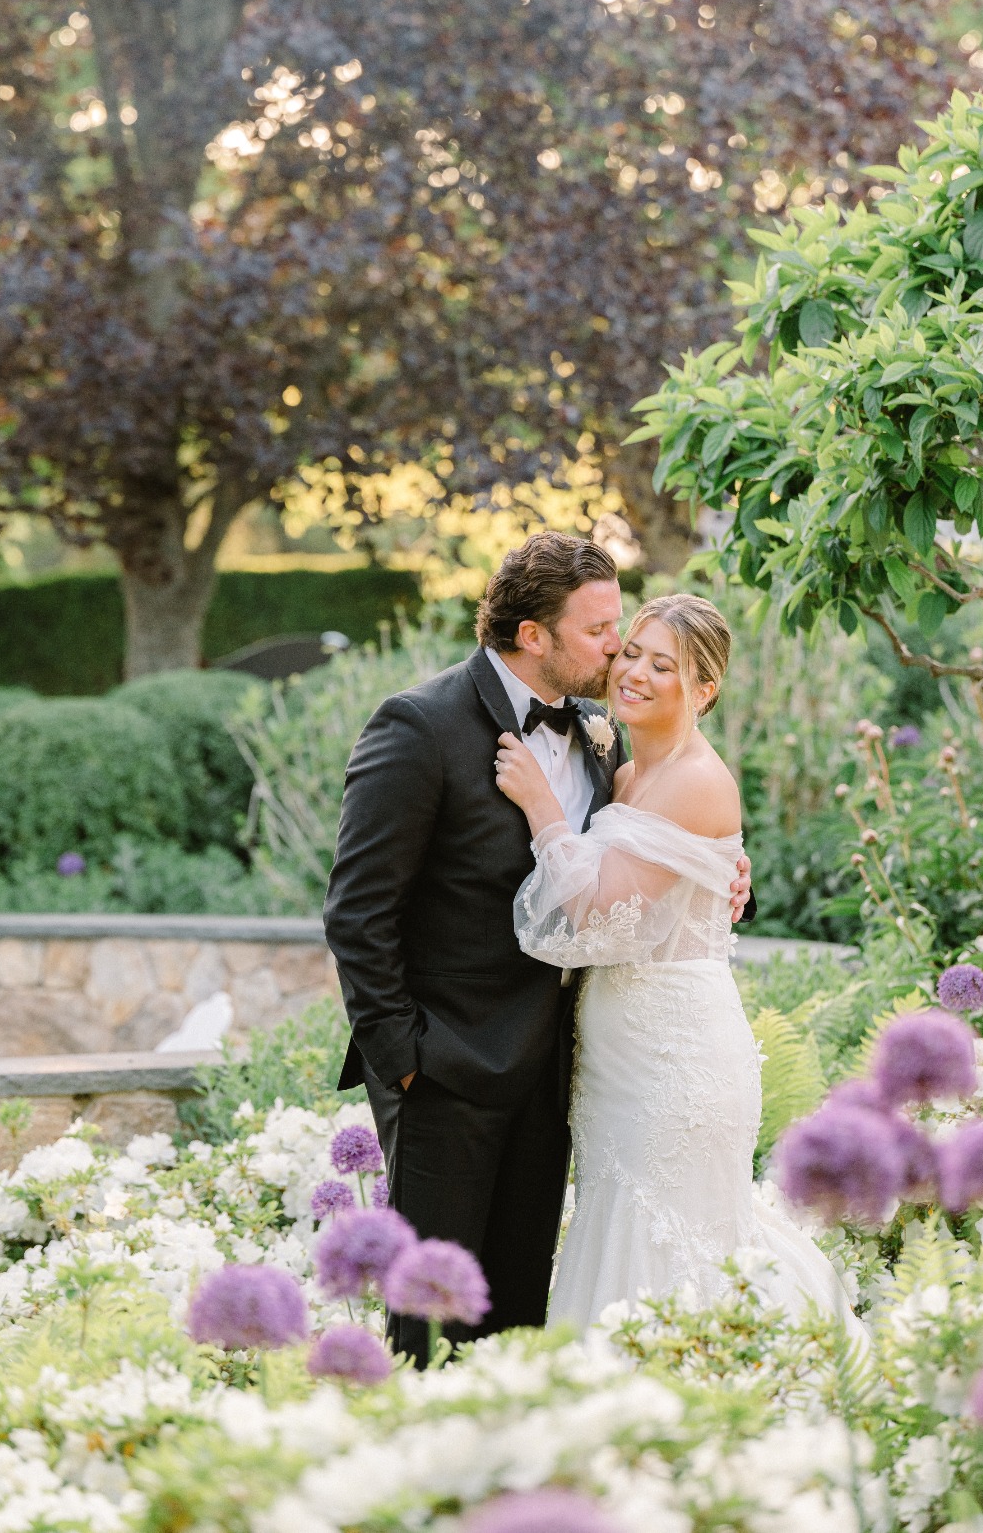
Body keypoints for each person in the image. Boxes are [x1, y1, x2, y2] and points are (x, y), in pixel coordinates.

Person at [323, 535, 753, 1363]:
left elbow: (647, 860)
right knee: (431, 1318)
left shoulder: (600, 732)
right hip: (447, 1069)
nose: (617, 651)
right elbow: (358, 912)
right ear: (533, 634)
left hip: (562, 1068)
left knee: (520, 1312)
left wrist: (732, 875)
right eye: (601, 632)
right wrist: (403, 1057)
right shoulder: (421, 725)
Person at [495, 592, 857, 1331]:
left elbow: (599, 914)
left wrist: (543, 809)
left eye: (664, 664)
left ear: (705, 688)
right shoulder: (624, 769)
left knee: (674, 1244)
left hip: (676, 1061)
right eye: (630, 651)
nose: (635, 671)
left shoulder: (696, 779)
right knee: (621, 1224)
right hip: (619, 1061)